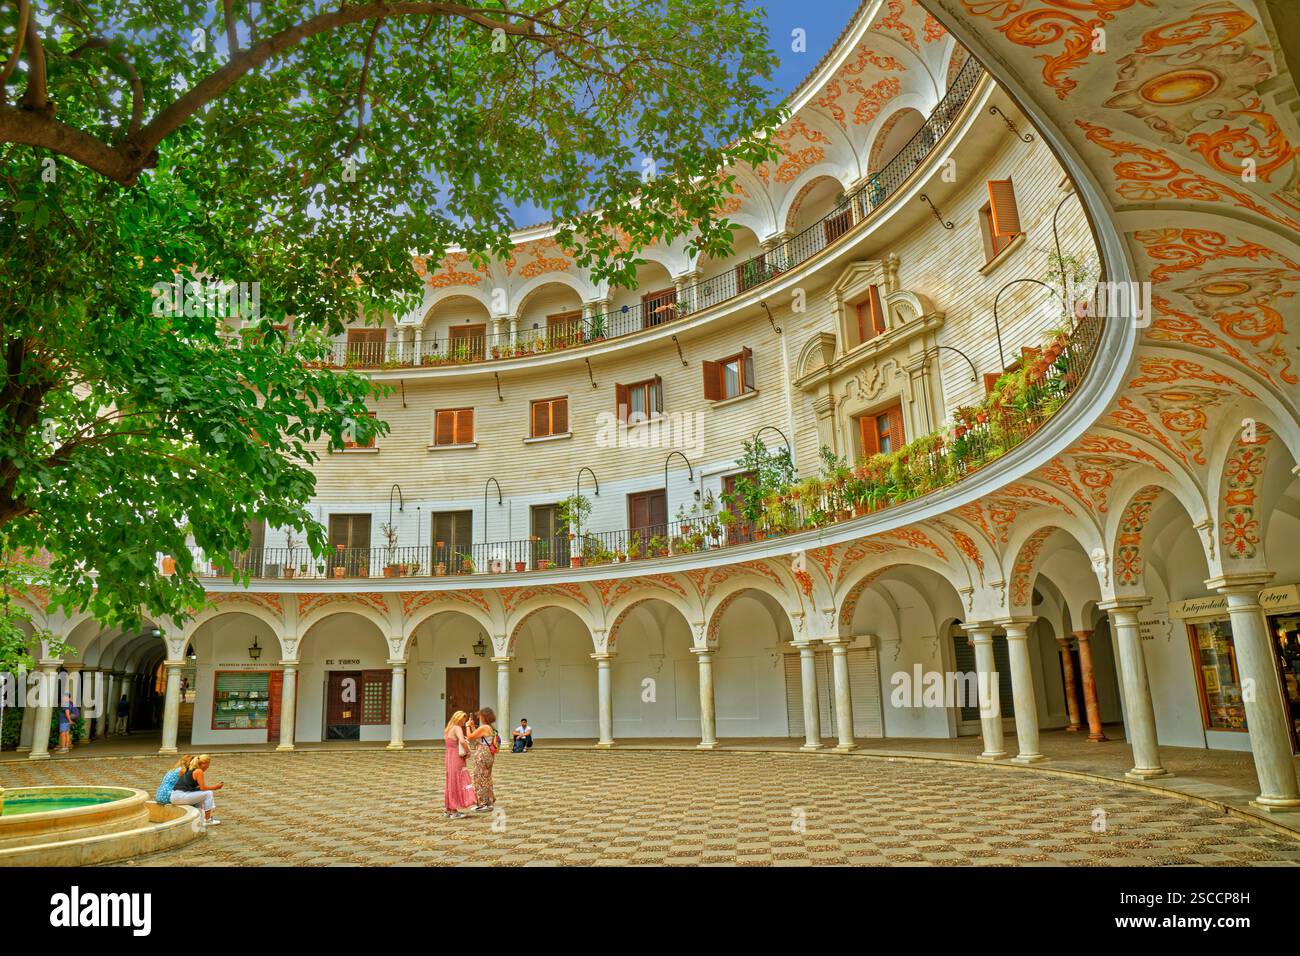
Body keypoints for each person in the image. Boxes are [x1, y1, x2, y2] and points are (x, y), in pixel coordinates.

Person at [171, 754, 222, 828]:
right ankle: (207, 820)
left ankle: (201, 818)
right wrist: (215, 787)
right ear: (204, 764)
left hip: (175, 796)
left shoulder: (189, 768)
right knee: (208, 793)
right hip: (180, 796)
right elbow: (203, 788)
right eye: (208, 764)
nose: (208, 767)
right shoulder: (198, 771)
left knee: (202, 795)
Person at [443, 711, 477, 819]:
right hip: (456, 757)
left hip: (449, 756)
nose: (464, 721)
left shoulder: (448, 729)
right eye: (463, 719)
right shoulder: (457, 728)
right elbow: (462, 741)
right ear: (458, 718)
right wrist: (468, 751)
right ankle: (454, 811)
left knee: (451, 781)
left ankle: (448, 809)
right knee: (458, 780)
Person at [466, 707, 499, 812]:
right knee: (486, 778)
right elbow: (478, 737)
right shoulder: (490, 727)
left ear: (484, 716)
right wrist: (472, 727)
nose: (479, 717)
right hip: (489, 754)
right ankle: (488, 802)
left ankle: (482, 803)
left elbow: (470, 737)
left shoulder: (484, 727)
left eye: (480, 715)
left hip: (482, 754)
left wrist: (467, 726)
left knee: (480, 778)